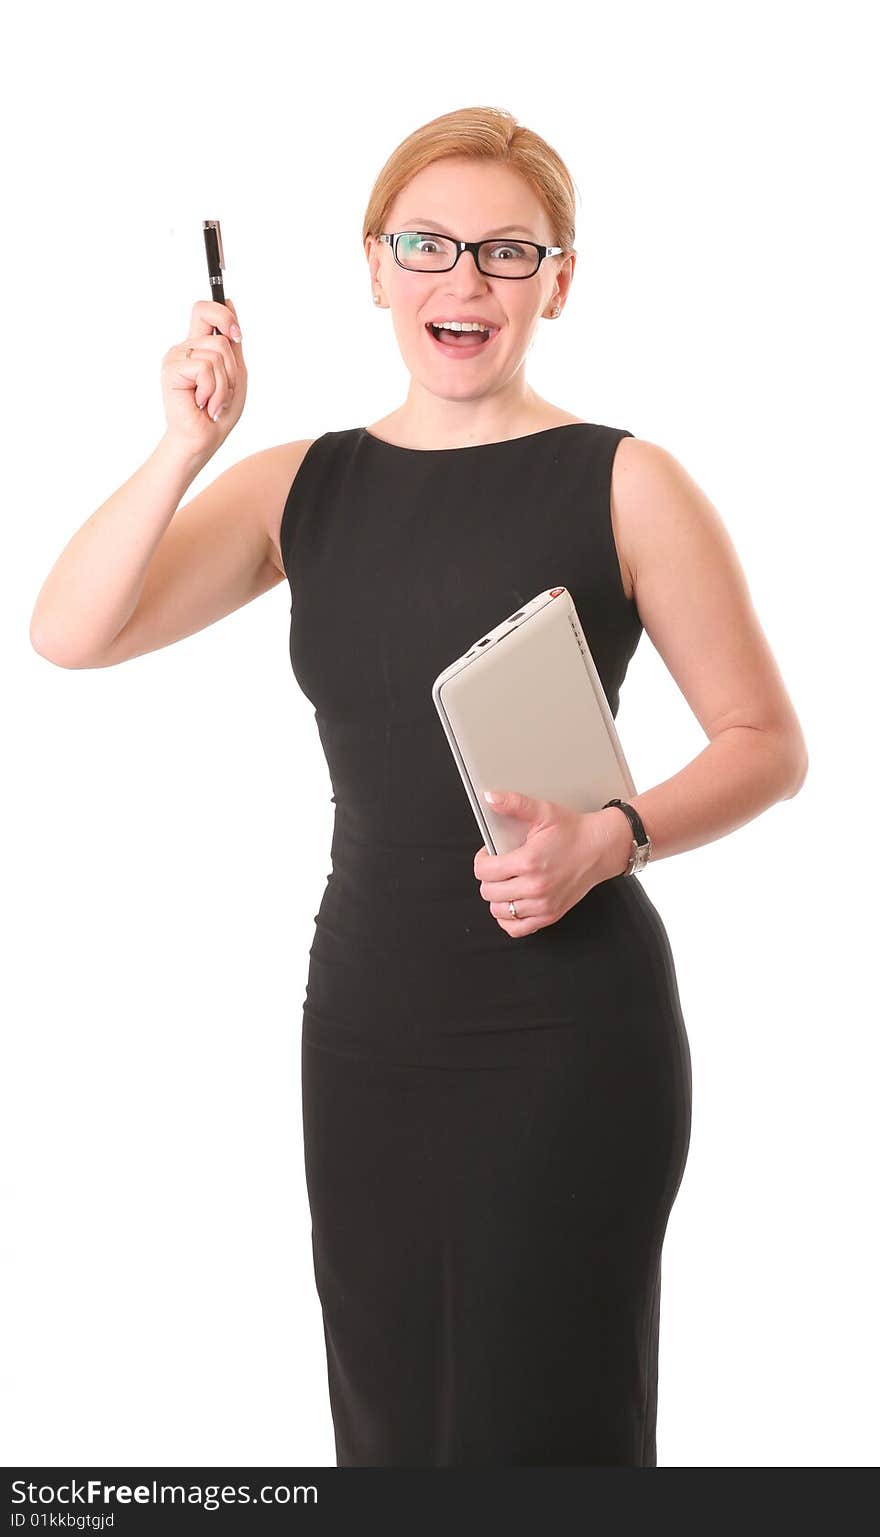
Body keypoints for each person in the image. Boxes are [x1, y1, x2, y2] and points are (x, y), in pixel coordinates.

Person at [30, 105, 809, 1467]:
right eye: (430, 244)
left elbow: (765, 742)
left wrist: (612, 838)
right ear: (375, 266)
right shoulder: (303, 487)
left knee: (547, 1428)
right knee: (388, 1431)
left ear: (560, 280)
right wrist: (182, 448)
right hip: (366, 1031)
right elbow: (71, 631)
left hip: (571, 1037)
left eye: (509, 253)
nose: (466, 280)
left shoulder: (628, 480)